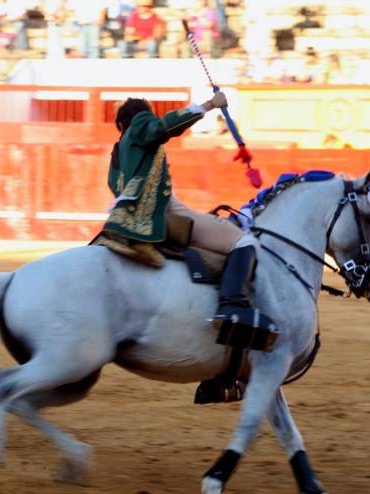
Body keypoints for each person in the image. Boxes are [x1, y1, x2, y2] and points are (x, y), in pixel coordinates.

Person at [101, 93, 268, 326]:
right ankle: (232, 305)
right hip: (156, 216)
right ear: (141, 116)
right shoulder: (141, 125)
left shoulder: (119, 152)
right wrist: (210, 105)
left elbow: (116, 186)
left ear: (120, 124)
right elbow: (161, 127)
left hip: (129, 217)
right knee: (245, 243)